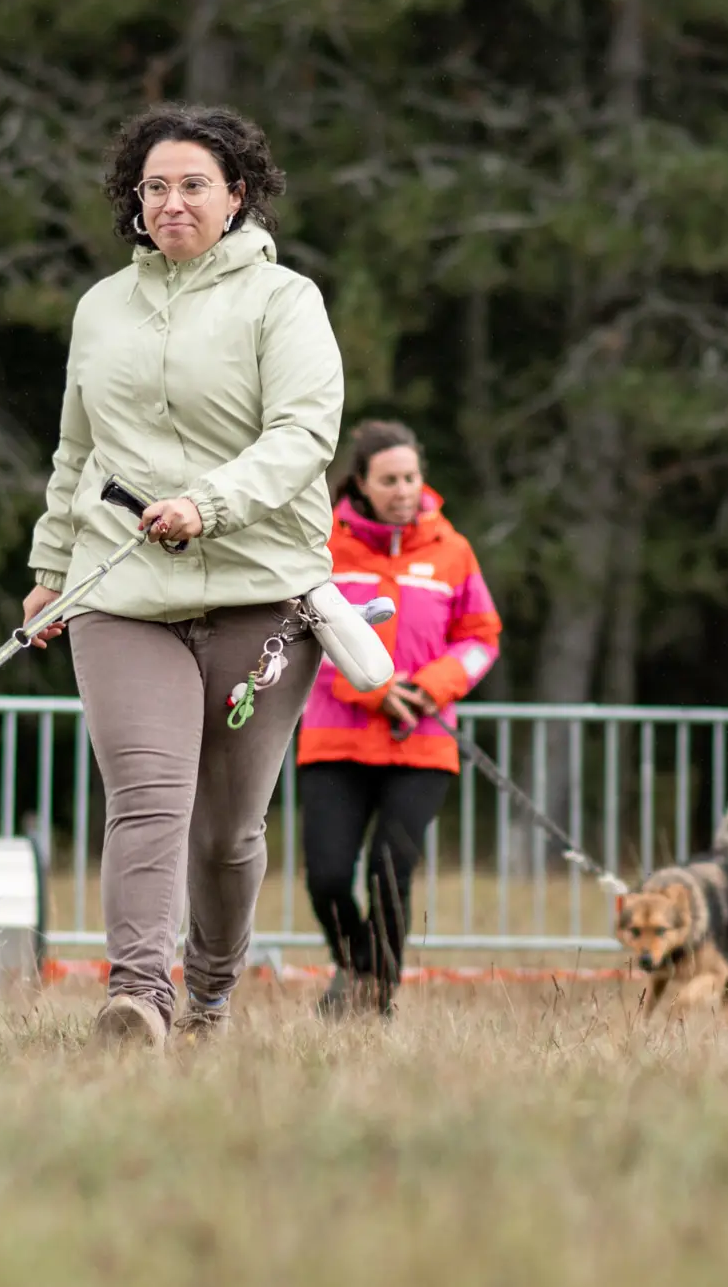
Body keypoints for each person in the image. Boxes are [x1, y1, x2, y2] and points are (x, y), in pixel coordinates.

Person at [20, 102, 345, 1051]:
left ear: (237, 196)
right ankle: (137, 997)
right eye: (153, 187)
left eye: (193, 185)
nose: (170, 203)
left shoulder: (285, 303)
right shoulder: (100, 308)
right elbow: (76, 451)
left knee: (227, 832)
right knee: (149, 799)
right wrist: (49, 570)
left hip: (259, 594)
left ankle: (208, 989)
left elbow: (302, 437)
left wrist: (210, 503)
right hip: (121, 593)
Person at [294, 419, 502, 1019]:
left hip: (422, 741)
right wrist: (376, 689)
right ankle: (356, 964)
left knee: (392, 869)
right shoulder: (321, 544)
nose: (404, 490)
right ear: (360, 483)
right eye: (389, 480)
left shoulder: (452, 550)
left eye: (411, 477)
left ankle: (374, 993)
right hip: (337, 735)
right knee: (329, 875)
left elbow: (481, 637)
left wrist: (430, 688)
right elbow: (307, 632)